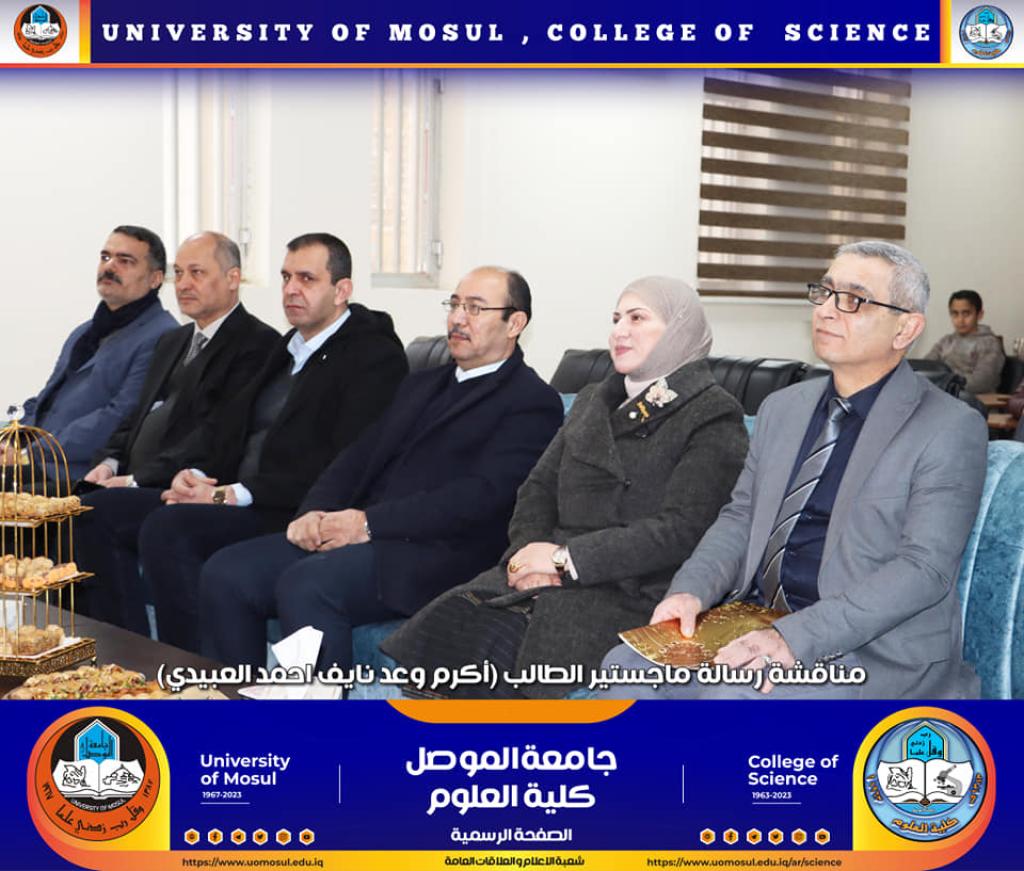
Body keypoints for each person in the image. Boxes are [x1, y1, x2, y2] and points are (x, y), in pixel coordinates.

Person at [600, 241, 988, 700]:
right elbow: (740, 518)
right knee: (624, 667)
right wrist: (690, 591)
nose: (826, 310)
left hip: (871, 649)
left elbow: (923, 570)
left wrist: (794, 637)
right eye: (824, 292)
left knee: (736, 698)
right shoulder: (783, 408)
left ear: (906, 328)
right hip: (757, 618)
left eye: (854, 299)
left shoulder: (948, 426)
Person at [382, 277, 749, 698]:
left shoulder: (713, 414)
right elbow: (536, 489)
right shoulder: (593, 400)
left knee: (495, 645)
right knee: (454, 621)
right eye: (616, 318)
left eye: (637, 318)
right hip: (544, 577)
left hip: (629, 591)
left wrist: (565, 560)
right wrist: (527, 558)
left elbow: (684, 529)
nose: (619, 331)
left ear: (678, 329)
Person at [200, 265, 564, 671]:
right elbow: (357, 457)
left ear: (515, 323)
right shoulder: (422, 383)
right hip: (369, 537)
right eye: (455, 304)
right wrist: (314, 512)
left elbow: (481, 497)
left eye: (475, 308)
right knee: (226, 573)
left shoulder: (531, 401)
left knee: (309, 585)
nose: (458, 318)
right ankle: (230, 704)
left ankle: (319, 713)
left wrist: (368, 524)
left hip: (440, 554)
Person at [134, 233, 409, 653]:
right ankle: (178, 667)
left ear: (342, 290)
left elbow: (341, 462)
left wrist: (230, 495)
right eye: (285, 278)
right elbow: (232, 428)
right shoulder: (289, 347)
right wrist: (197, 476)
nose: (291, 289)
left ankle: (204, 675)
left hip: (299, 508)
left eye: (306, 279)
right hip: (254, 496)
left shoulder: (373, 357)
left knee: (173, 533)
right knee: (157, 519)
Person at [74, 231, 279, 634]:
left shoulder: (257, 344)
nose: (184, 284)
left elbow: (215, 434)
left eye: (197, 273)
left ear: (233, 279)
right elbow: (135, 415)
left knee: (96, 515)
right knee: (62, 507)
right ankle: (89, 644)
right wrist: (109, 462)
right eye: (179, 273)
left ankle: (129, 647)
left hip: (190, 484)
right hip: (141, 476)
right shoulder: (173, 340)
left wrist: (134, 480)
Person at [15, 227, 178, 479]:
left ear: (155, 279)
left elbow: (121, 415)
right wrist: (14, 439)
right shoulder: (84, 332)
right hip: (35, 459)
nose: (110, 266)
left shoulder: (163, 336)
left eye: (125, 261)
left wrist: (31, 452)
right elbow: (47, 399)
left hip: (75, 472)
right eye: (105, 257)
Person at [924, 289, 1004, 394]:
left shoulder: (989, 343)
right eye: (955, 314)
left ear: (980, 314)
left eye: (966, 314)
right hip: (945, 394)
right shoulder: (946, 341)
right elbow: (925, 367)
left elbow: (982, 382)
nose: (960, 320)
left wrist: (945, 384)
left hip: (974, 398)